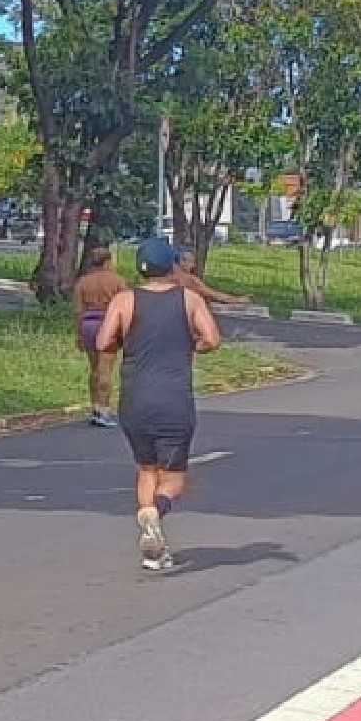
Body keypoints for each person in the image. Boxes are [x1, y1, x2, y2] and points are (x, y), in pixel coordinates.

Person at [95, 239, 222, 572]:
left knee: (147, 469)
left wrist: (129, 343)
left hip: (134, 399)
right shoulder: (189, 299)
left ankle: (154, 547)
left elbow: (103, 341)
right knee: (175, 479)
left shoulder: (124, 300)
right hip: (174, 399)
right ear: (172, 266)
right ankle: (156, 512)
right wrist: (190, 345)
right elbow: (212, 339)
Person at [75, 247, 130, 429]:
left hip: (89, 324)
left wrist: (79, 334)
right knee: (105, 368)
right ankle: (104, 410)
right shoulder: (117, 281)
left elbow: (78, 310)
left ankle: (95, 406)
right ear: (108, 261)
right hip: (108, 324)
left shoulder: (83, 282)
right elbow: (125, 306)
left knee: (94, 369)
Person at [175, 249, 251, 308]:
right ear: (181, 261)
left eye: (191, 261)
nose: (192, 265)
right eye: (189, 261)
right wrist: (236, 300)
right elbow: (212, 294)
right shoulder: (189, 279)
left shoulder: (172, 276)